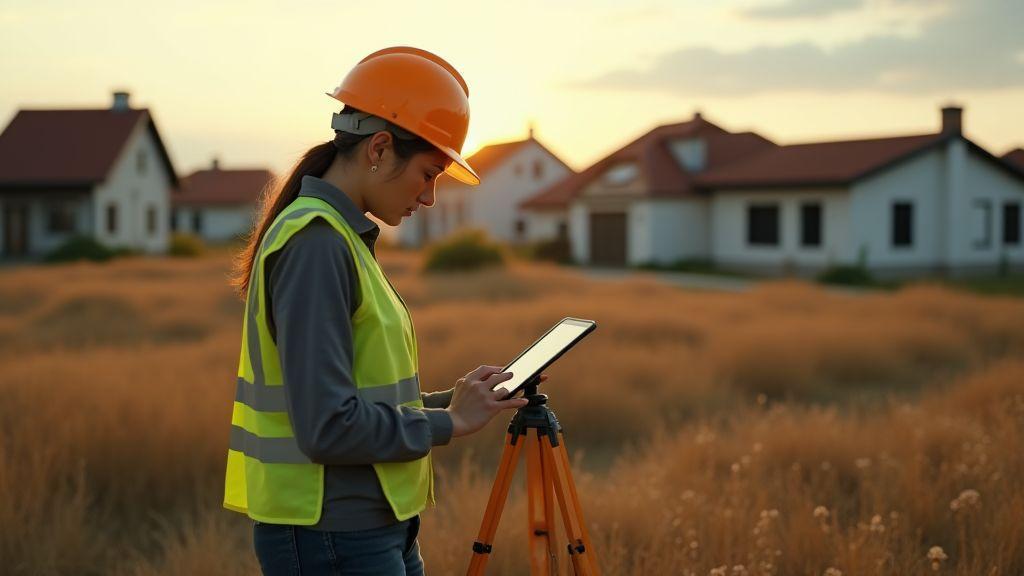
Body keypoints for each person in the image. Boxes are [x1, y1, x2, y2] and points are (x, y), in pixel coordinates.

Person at [222, 47, 540, 575]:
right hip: (331, 535)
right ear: (379, 148)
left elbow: (360, 396)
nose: (432, 198)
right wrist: (449, 422)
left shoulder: (341, 237)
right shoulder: (317, 244)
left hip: (370, 530)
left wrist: (461, 400)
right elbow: (327, 427)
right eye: (428, 173)